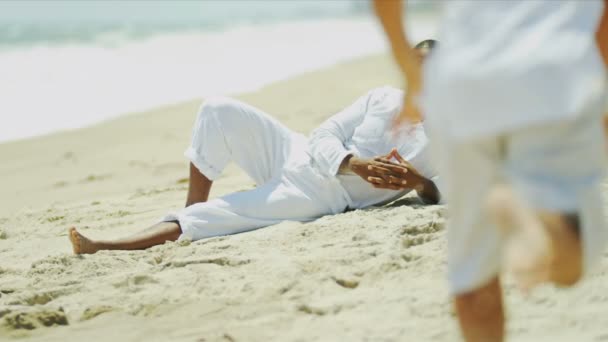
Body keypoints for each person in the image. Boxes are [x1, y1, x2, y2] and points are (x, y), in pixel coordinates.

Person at [374, 1, 607, 341]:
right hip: (549, 77)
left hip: (460, 84)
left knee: (474, 278)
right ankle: (511, 203)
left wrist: (409, 71)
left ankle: (505, 202)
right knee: (567, 261)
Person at [68, 44, 442, 254]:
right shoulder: (382, 97)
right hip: (294, 151)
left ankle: (105, 245)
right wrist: (353, 163)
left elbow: (443, 193)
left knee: (219, 215)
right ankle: (189, 207)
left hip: (319, 195)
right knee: (217, 109)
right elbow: (323, 133)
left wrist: (418, 180)